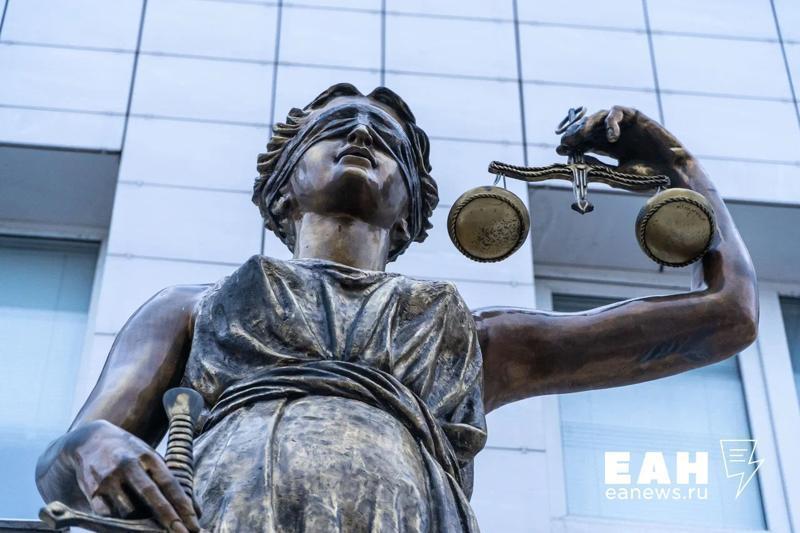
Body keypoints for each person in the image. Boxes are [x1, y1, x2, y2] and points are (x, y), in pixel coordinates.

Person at [35, 84, 758, 532]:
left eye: (385, 142)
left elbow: (729, 316)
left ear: (411, 209)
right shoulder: (196, 311)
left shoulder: (464, 339)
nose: (361, 137)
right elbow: (64, 464)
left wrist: (677, 166)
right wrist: (92, 446)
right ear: (281, 188)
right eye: (335, 129)